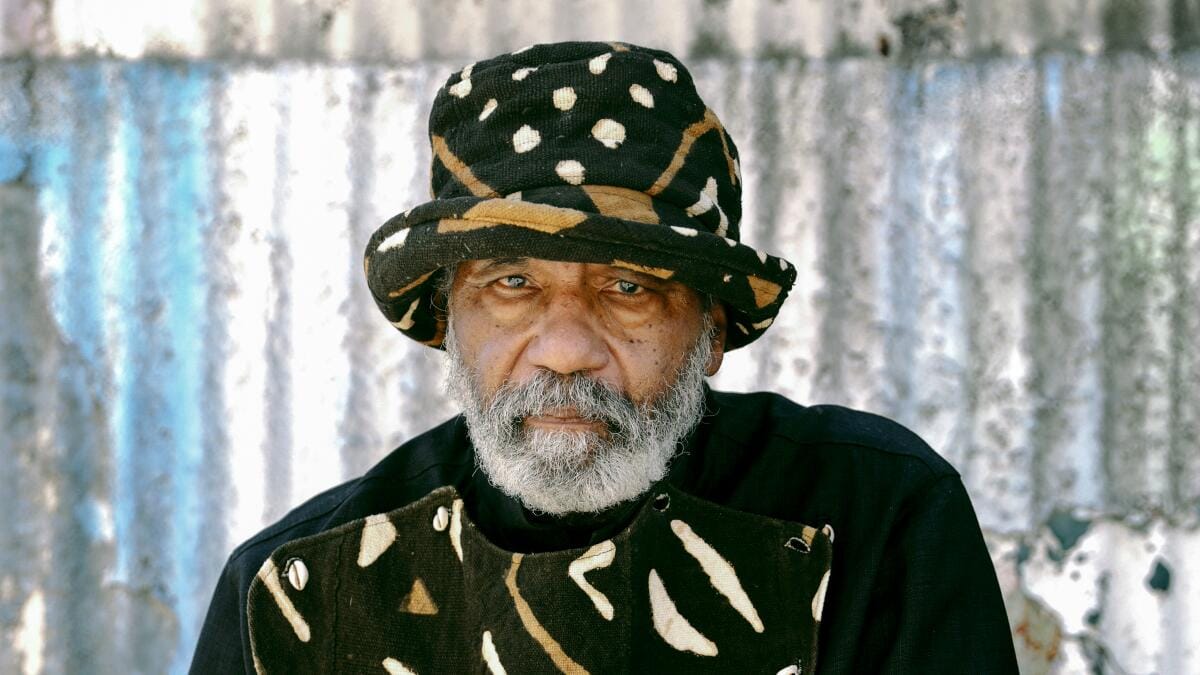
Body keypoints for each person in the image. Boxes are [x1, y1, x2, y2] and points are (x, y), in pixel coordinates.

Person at [191, 41, 1017, 673]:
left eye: (628, 287)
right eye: (512, 283)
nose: (564, 350)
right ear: (447, 316)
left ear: (713, 329)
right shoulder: (299, 587)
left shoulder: (877, 521)